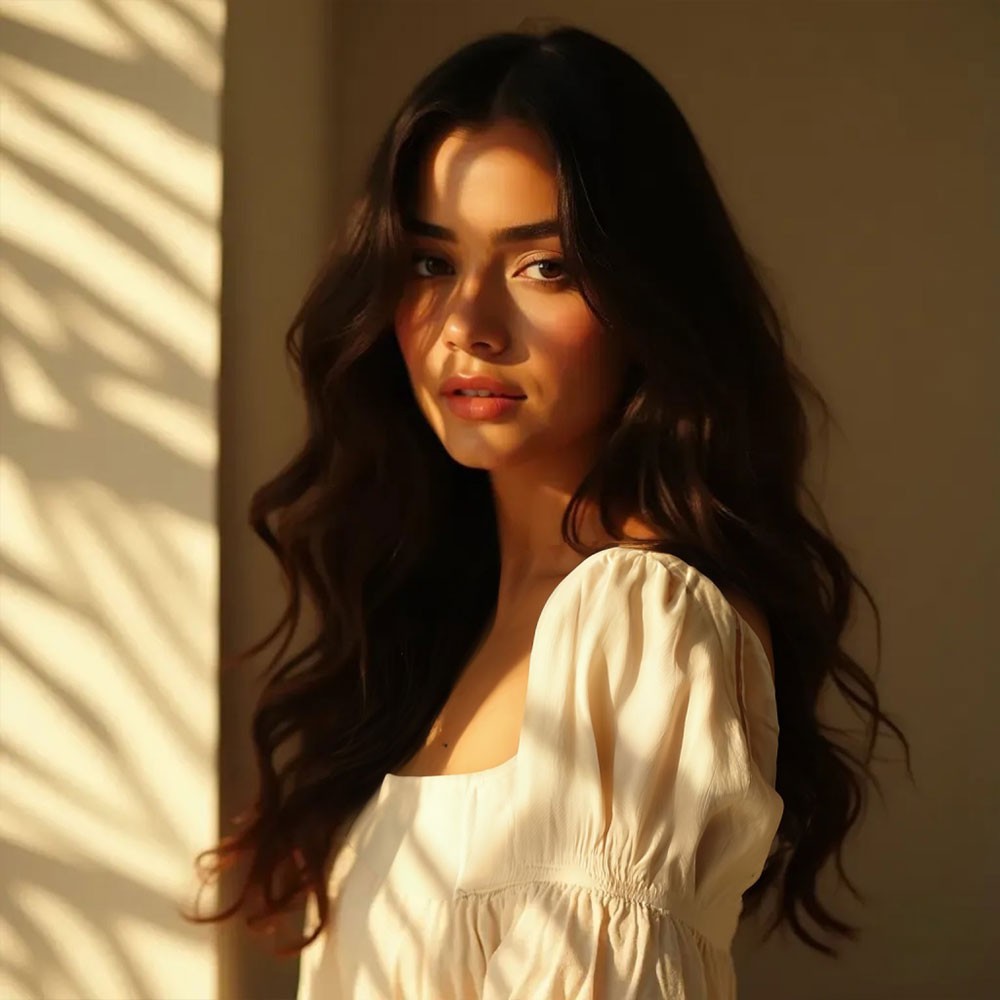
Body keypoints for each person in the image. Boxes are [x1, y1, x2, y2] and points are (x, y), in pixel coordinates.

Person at [184, 22, 912, 998]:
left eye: (544, 266)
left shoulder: (635, 618)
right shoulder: (450, 624)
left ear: (644, 300)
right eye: (431, 262)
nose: (469, 326)